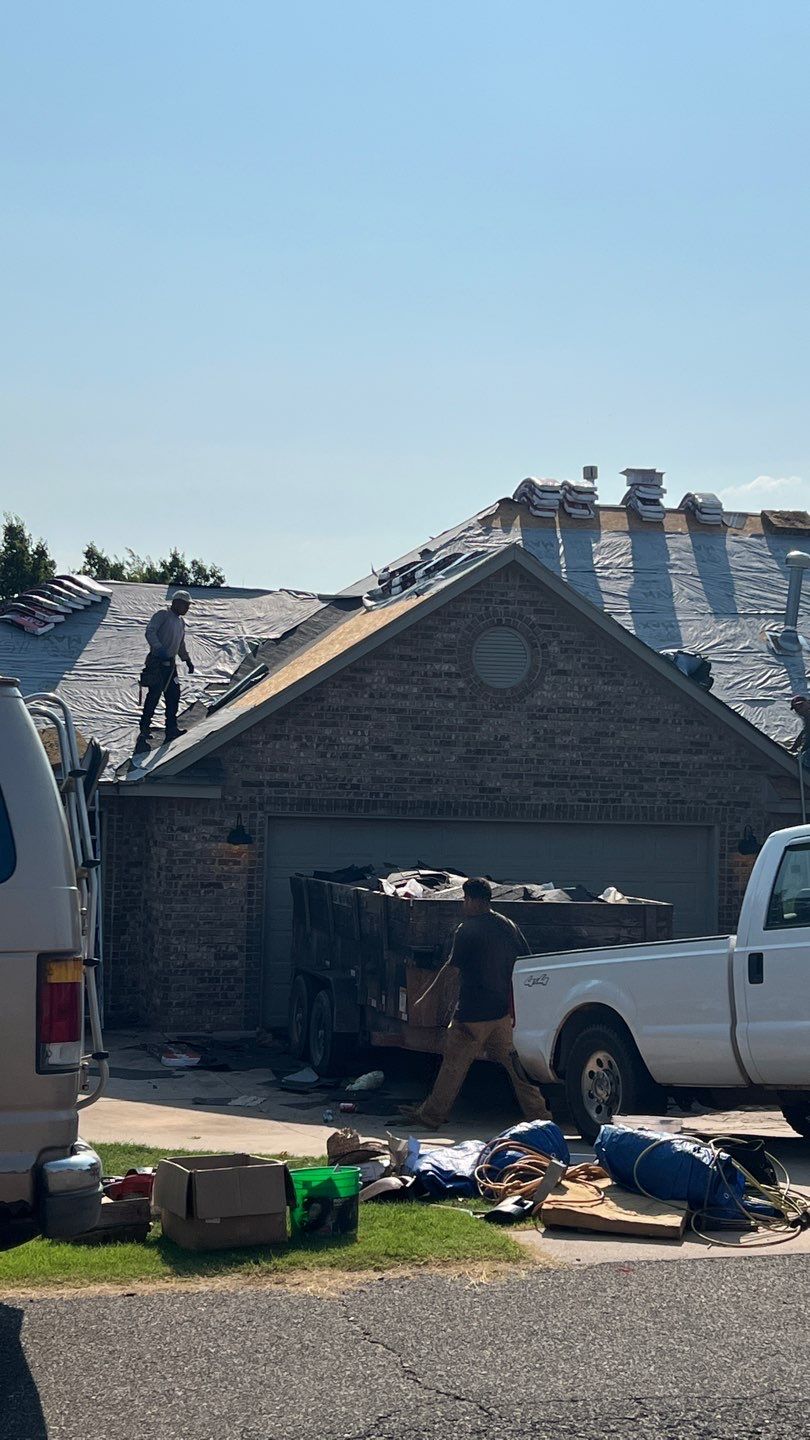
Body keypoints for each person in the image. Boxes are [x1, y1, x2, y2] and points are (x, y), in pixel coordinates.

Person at [400, 876, 552, 1129]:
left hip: (471, 1015)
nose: (463, 904)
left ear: (471, 900)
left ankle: (431, 1116)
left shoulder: (467, 929)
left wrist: (427, 996)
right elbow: (526, 961)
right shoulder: (508, 926)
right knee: (516, 1068)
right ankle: (540, 1116)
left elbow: (451, 969)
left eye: (464, 899)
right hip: (502, 1014)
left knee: (453, 1068)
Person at [138, 590, 194, 744]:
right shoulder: (163, 615)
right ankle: (144, 728)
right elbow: (150, 632)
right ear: (176, 603)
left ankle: (171, 729)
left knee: (173, 696)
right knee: (154, 696)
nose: (187, 608)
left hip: (170, 665)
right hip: (157, 662)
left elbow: (180, 643)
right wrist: (158, 647)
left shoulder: (181, 622)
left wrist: (187, 659)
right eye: (185, 605)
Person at [789, 695, 810, 762]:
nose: (799, 710)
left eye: (801, 705)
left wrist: (802, 751)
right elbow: (805, 731)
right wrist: (794, 747)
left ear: (807, 703)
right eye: (796, 708)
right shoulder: (806, 716)